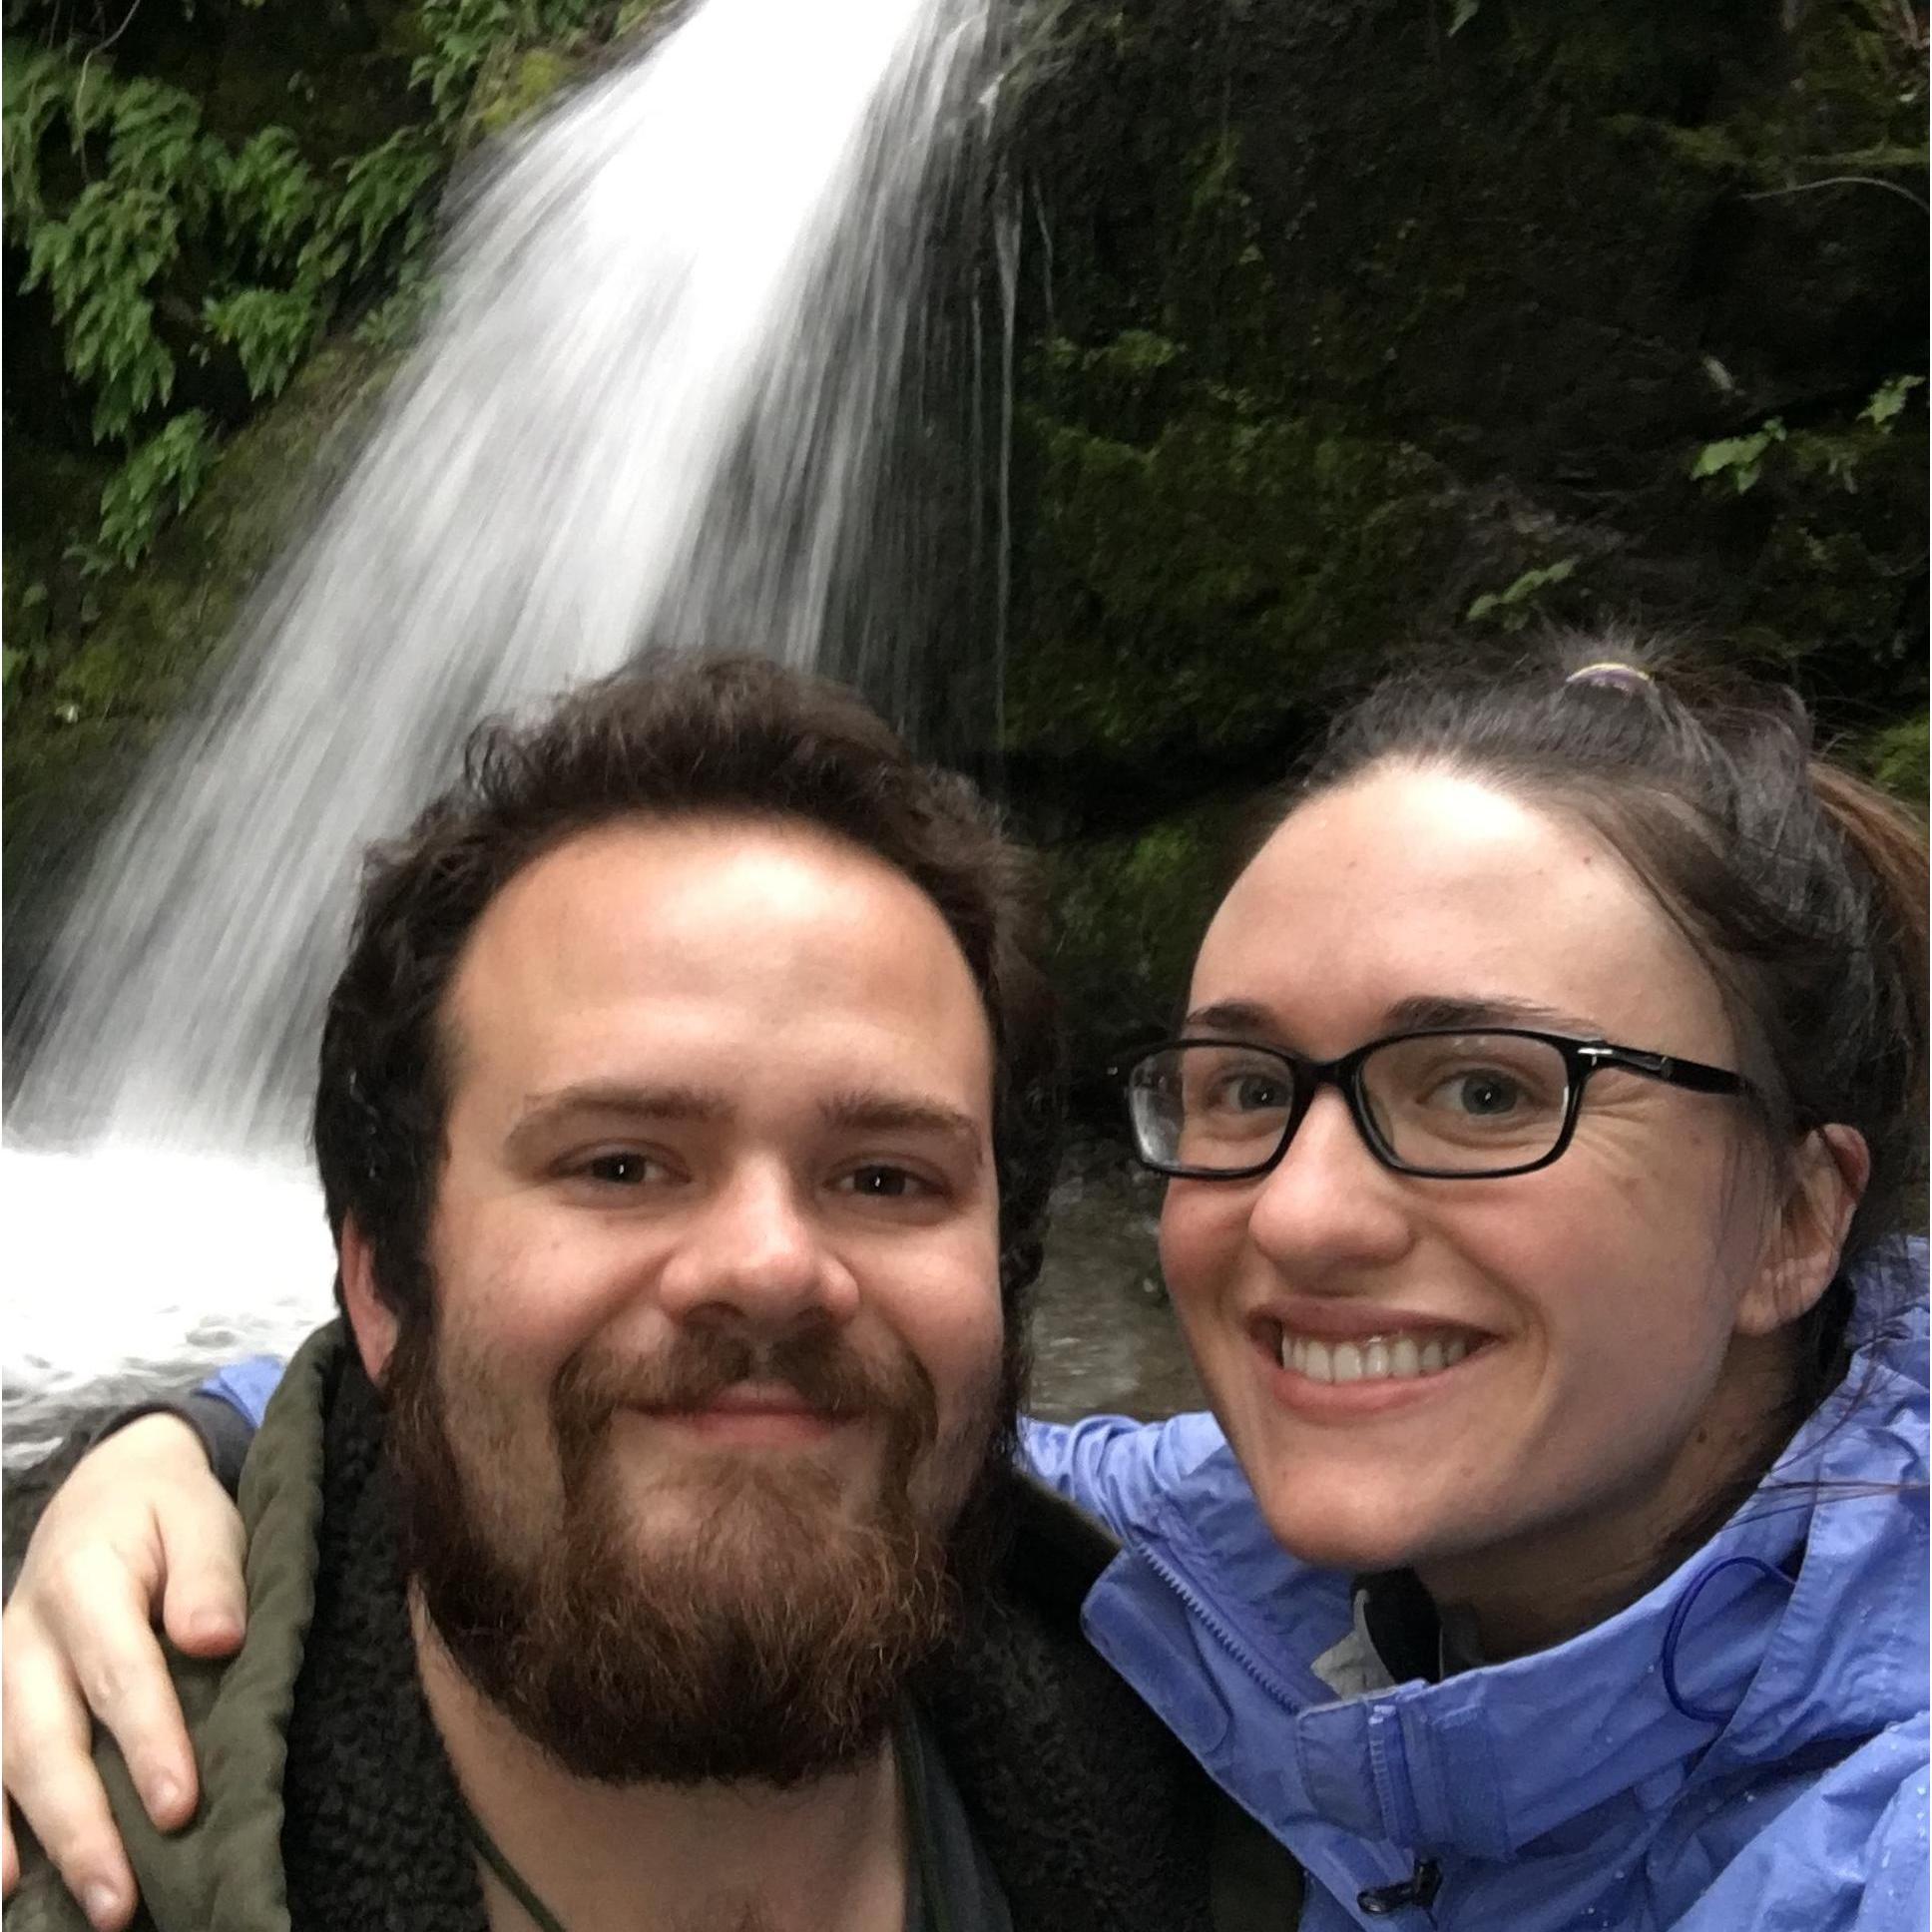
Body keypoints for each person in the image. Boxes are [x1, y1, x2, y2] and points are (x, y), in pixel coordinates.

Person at [8, 643, 1926, 1929]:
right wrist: (202, 1442)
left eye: (1490, 1090)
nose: (1309, 1215)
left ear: (1795, 1222)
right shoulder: (1216, 1568)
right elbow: (750, 1434)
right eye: (1252, 1089)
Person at [1, 656, 1296, 1932]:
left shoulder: (1242, 1762)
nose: (771, 1267)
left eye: (887, 1178)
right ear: (384, 1284)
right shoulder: (76, 1859)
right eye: (619, 1164)